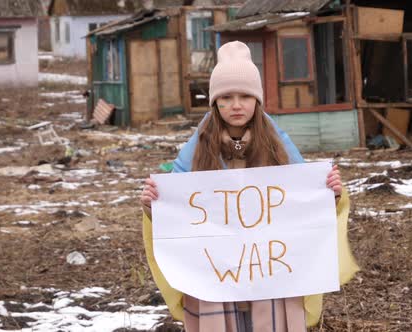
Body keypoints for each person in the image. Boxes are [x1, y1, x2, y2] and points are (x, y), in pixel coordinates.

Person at [139, 41, 359, 332]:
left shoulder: (277, 143)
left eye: (245, 96)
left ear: (257, 100)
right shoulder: (198, 148)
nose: (236, 105)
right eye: (226, 97)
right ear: (215, 102)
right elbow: (177, 213)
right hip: (214, 274)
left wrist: (330, 194)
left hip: (271, 275)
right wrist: (153, 205)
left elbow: (304, 205)